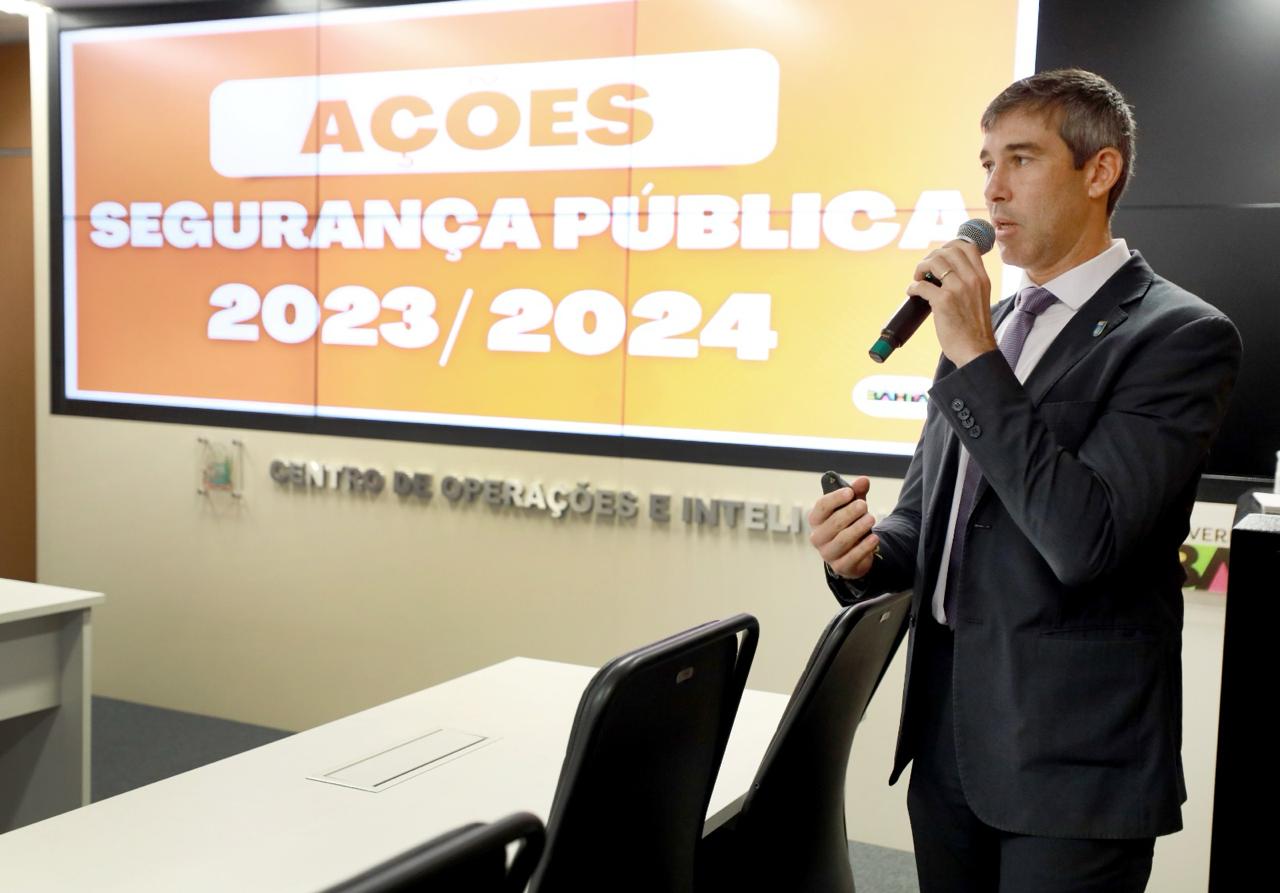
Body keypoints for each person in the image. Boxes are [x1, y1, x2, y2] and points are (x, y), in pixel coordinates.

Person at [808, 69, 1241, 892]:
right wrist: (861, 552)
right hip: (948, 743)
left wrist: (976, 356)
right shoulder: (989, 328)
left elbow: (1085, 538)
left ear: (1099, 170)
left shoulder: (1180, 335)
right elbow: (928, 520)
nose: (992, 190)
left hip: (1075, 767)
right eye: (986, 164)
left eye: (1021, 159)